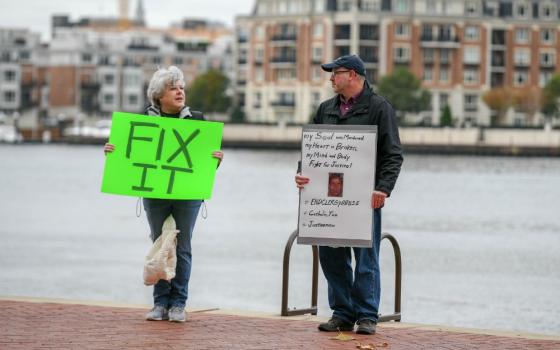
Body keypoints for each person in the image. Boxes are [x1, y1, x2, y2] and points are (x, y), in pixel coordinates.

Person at [104, 66, 223, 322]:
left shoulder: (197, 120)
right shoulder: (144, 120)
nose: (180, 91)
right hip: (155, 193)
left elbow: (204, 164)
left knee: (182, 248)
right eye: (173, 88)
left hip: (187, 194)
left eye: (181, 87)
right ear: (159, 95)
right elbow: (129, 156)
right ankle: (160, 304)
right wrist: (113, 151)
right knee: (159, 244)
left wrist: (216, 160)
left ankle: (178, 304)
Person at [295, 55, 403, 335]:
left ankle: (367, 315)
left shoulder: (379, 108)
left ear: (354, 75)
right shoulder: (325, 109)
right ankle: (342, 312)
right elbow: (311, 151)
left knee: (366, 258)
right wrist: (301, 173)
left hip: (364, 198)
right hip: (327, 198)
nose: (331, 77)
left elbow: (393, 155)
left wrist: (383, 188)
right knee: (331, 257)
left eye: (335, 73)